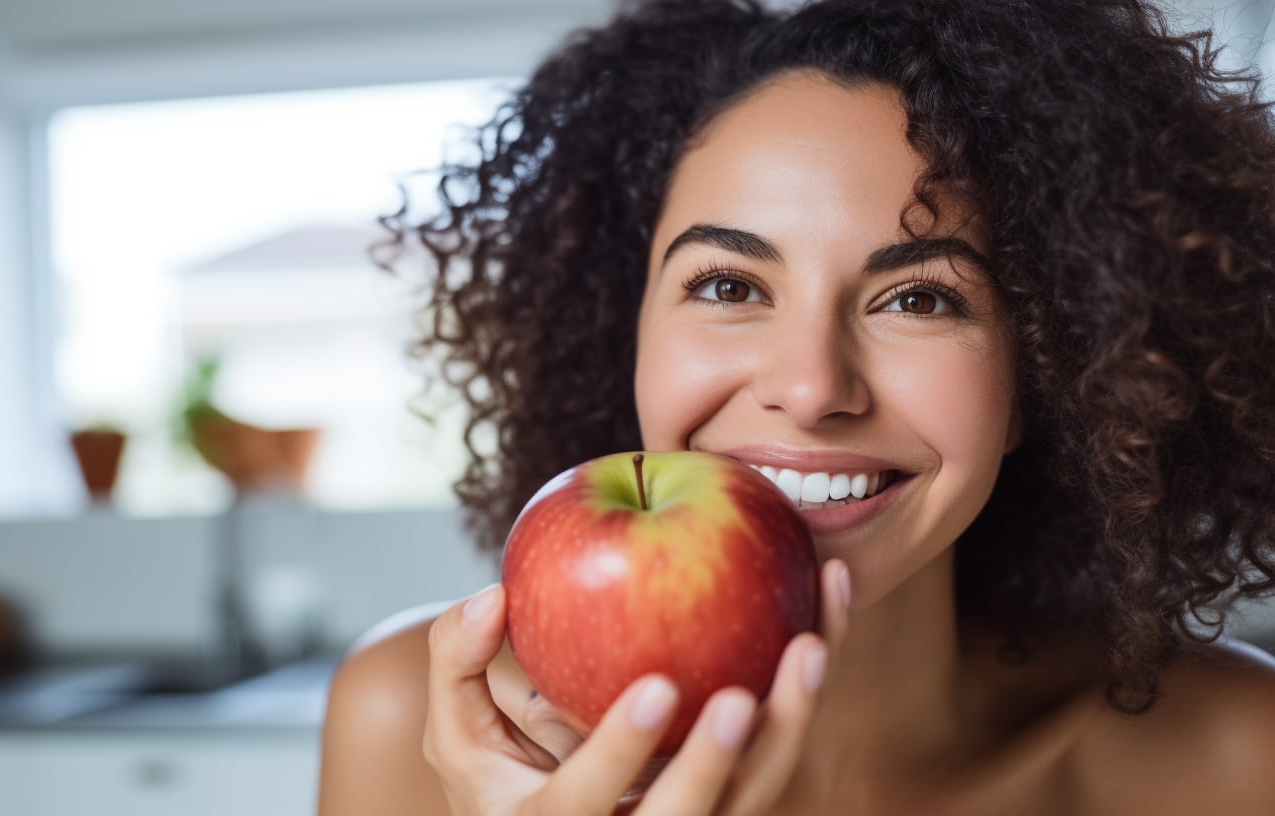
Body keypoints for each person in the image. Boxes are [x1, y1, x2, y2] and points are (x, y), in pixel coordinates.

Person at [319, 0, 1275, 812]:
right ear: (629, 332)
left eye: (921, 299)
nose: (812, 389)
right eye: (730, 286)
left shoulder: (1229, 757)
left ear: (1051, 367)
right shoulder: (411, 725)